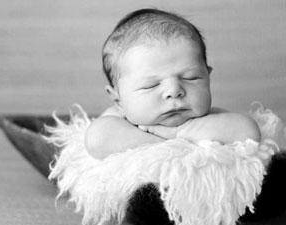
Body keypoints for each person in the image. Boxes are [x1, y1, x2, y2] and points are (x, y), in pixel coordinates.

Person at [85, 8, 261, 160]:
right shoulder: (118, 120)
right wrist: (166, 145)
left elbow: (248, 132)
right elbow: (97, 140)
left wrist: (179, 134)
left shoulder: (207, 120)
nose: (174, 91)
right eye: (150, 85)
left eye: (191, 77)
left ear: (208, 77)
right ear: (118, 98)